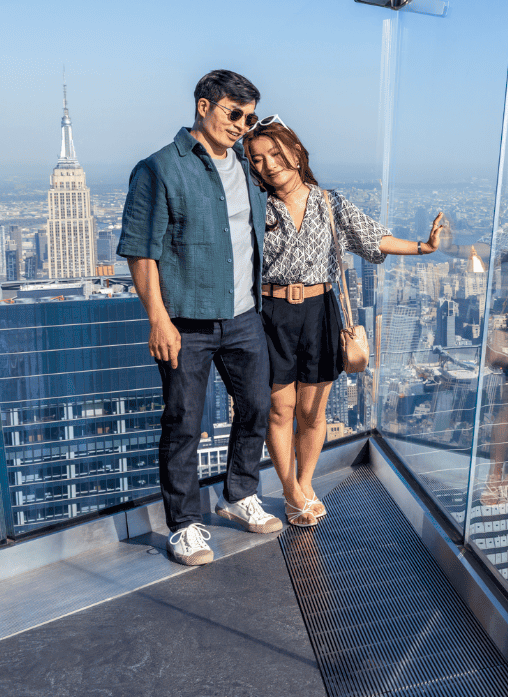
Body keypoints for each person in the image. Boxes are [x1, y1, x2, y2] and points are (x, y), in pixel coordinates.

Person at [244, 118, 447, 526]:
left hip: (320, 311)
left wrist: (424, 248)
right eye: (257, 160)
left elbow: (372, 238)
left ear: (297, 153)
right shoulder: (254, 205)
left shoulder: (329, 203)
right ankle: (290, 493)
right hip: (271, 313)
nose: (267, 165)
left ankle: (305, 482)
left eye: (275, 154)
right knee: (279, 410)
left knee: (313, 411)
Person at [119, 70, 283, 567]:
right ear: (203, 105)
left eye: (249, 117)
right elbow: (140, 252)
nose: (241, 125)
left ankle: (239, 495)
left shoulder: (245, 167)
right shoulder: (158, 169)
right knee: (184, 423)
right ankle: (186, 526)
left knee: (256, 407)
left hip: (242, 316)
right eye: (234, 113)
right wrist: (158, 320)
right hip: (185, 322)